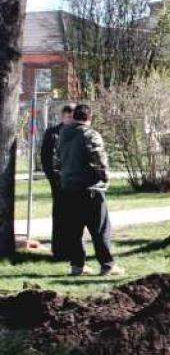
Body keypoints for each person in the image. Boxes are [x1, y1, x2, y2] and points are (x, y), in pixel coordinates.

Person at [55, 104, 122, 276]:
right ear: (89, 117)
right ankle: (107, 264)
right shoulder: (90, 134)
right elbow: (99, 159)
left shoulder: (62, 134)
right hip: (90, 188)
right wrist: (105, 177)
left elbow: (57, 162)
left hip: (69, 188)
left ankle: (77, 266)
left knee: (75, 230)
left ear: (75, 116)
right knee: (100, 229)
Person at [40, 105, 74, 260]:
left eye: (72, 117)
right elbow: (46, 159)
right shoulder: (52, 133)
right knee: (60, 215)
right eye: (67, 116)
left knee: (74, 217)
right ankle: (59, 250)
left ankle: (72, 249)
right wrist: (55, 178)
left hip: (74, 182)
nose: (69, 119)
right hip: (59, 181)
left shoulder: (77, 133)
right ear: (63, 116)